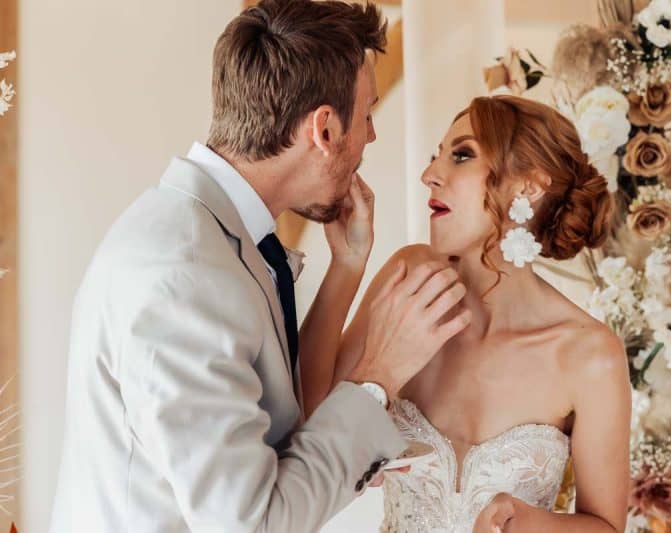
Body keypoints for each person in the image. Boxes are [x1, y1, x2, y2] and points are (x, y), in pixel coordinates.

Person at [48, 1, 471, 531]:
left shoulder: (214, 237)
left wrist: (346, 266)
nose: (371, 135)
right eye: (366, 114)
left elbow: (276, 435)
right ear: (324, 129)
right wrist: (377, 377)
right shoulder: (184, 275)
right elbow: (253, 522)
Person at [330, 96, 632, 532]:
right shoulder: (411, 278)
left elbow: (607, 526)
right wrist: (347, 265)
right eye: (437, 157)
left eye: (462, 155)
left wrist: (531, 523)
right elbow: (310, 416)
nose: (429, 175)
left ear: (527, 187)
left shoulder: (589, 353)